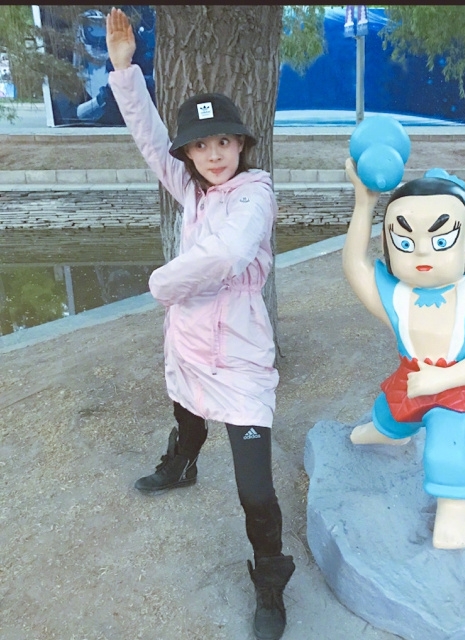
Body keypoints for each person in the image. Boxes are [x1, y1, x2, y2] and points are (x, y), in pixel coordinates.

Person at [105, 9, 294, 640]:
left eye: (224, 142)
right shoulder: (191, 191)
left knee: (255, 489)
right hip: (188, 344)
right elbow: (151, 140)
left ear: (241, 145)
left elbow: (227, 254)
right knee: (186, 415)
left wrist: (163, 284)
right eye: (201, 145)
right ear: (189, 153)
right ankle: (179, 464)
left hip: (239, 358)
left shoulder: (254, 195)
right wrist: (125, 70)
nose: (213, 155)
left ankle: (271, 579)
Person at [342, 159, 465, 550]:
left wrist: (444, 378)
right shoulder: (398, 296)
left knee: (448, 451)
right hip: (411, 379)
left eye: (441, 241)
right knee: (389, 414)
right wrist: (364, 203)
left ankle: (455, 508)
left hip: (459, 390)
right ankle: (389, 434)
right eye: (405, 242)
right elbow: (355, 266)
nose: (422, 251)